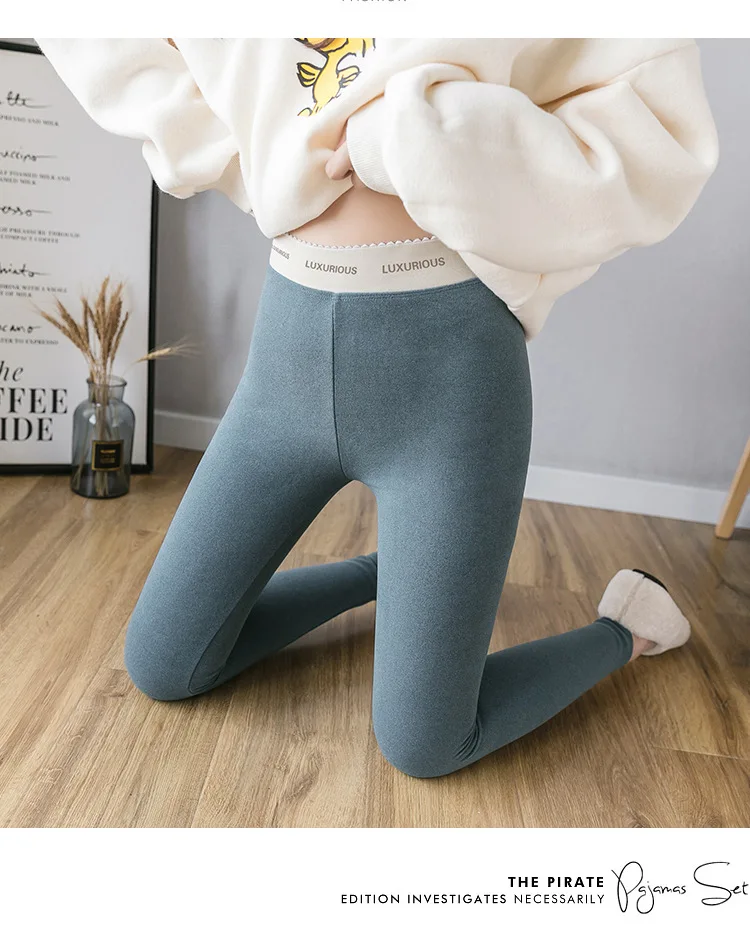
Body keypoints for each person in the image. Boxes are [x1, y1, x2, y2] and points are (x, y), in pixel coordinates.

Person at [36, 37, 719, 778]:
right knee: (163, 664)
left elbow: (656, 134)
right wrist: (250, 150)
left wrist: (416, 137)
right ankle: (396, 573)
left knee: (425, 743)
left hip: (450, 375)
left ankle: (628, 627)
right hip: (286, 359)